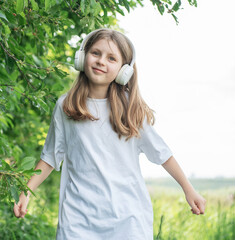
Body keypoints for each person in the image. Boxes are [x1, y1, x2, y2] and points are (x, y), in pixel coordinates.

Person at [13, 28, 206, 239]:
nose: (101, 61)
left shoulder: (132, 110)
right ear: (82, 57)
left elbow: (162, 154)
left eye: (111, 58)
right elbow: (50, 156)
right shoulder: (66, 106)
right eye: (95, 53)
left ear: (124, 71)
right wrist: (25, 191)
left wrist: (188, 189)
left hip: (128, 220)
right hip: (78, 220)